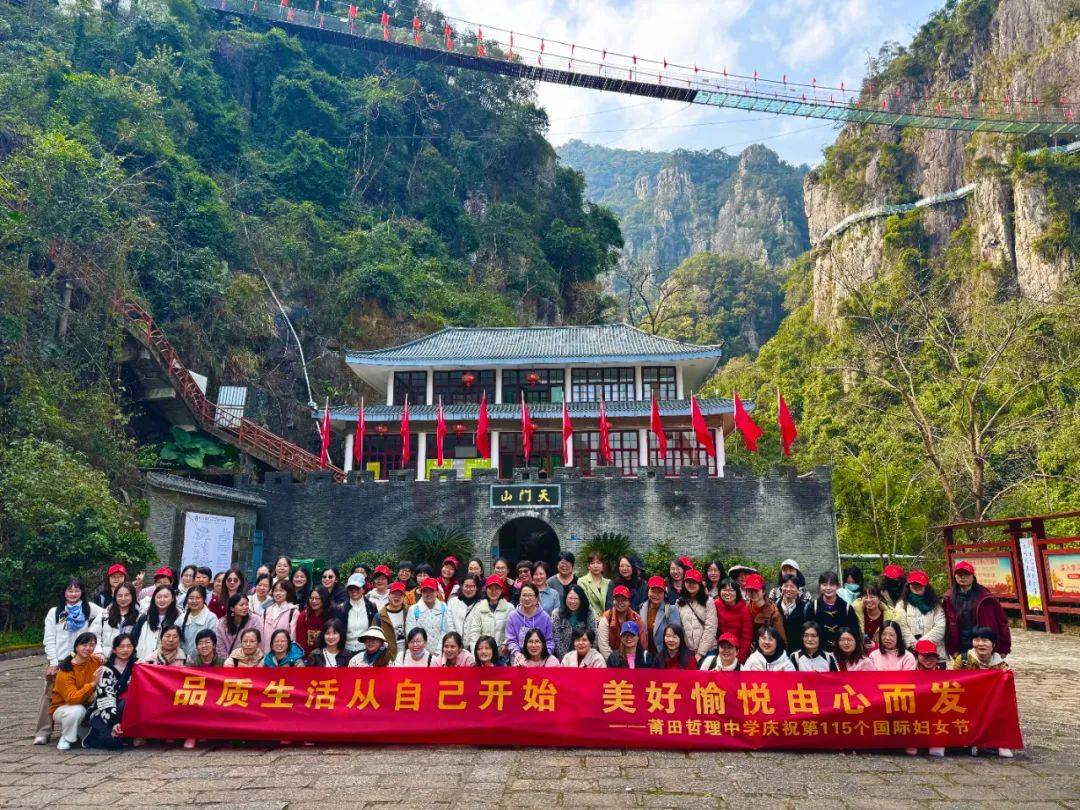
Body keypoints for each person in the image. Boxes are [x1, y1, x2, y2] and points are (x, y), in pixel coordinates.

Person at [39, 579, 103, 745]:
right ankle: (43, 731)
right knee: (50, 695)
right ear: (64, 592)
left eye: (77, 590)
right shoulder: (56, 612)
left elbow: (107, 614)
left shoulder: (89, 608)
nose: (73, 594)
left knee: (79, 693)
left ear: (82, 592)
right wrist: (53, 662)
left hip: (81, 659)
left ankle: (76, 728)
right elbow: (50, 638)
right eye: (69, 590)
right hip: (60, 659)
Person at [943, 560, 1011, 659]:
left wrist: (1004, 648)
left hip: (984, 645)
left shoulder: (985, 596)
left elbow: (1002, 621)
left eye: (966, 574)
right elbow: (946, 626)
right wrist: (952, 650)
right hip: (962, 647)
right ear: (955, 576)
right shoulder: (949, 598)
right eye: (959, 574)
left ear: (973, 576)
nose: (963, 577)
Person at [48, 631, 101, 750]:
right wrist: (93, 684)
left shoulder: (95, 661)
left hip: (87, 705)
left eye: (92, 645)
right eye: (84, 645)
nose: (88, 648)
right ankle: (66, 738)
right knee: (77, 710)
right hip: (64, 707)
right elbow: (72, 699)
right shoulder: (66, 670)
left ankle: (79, 731)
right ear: (76, 647)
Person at [83, 633, 135, 750]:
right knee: (114, 743)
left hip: (129, 710)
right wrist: (114, 723)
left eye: (129, 646)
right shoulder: (105, 669)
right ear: (114, 650)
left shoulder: (138, 666)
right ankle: (90, 735)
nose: (125, 650)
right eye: (121, 647)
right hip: (105, 710)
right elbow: (106, 698)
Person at [895, 570, 946, 657]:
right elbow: (901, 626)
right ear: (908, 585)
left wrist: (921, 644)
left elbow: (940, 627)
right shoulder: (902, 605)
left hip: (935, 652)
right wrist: (914, 645)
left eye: (919, 584)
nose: (916, 586)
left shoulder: (935, 605)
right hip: (912, 653)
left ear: (926, 586)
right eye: (913, 584)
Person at [806, 571, 860, 651]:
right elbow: (807, 630)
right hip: (819, 651)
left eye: (832, 585)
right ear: (820, 586)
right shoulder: (813, 607)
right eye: (824, 585)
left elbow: (854, 631)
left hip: (842, 651)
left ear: (837, 586)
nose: (828, 588)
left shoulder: (847, 608)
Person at [464, 575, 512, 654]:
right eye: (490, 588)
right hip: (483, 653)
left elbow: (512, 632)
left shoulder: (509, 608)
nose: (494, 591)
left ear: (501, 590)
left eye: (497, 588)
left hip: (502, 654)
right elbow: (474, 632)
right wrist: (476, 653)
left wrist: (505, 644)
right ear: (486, 590)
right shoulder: (479, 608)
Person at [505, 583, 555, 658]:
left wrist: (544, 655)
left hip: (541, 657)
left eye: (530, 595)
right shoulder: (512, 616)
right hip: (518, 656)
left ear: (536, 599)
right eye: (524, 595)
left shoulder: (545, 617)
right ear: (520, 598)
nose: (527, 599)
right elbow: (511, 640)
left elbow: (549, 641)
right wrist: (517, 654)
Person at [676, 569, 717, 658]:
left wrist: (700, 652)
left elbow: (711, 628)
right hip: (688, 651)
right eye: (688, 581)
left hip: (708, 650)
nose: (691, 584)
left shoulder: (708, 601)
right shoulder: (679, 602)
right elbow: (680, 627)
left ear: (700, 584)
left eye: (694, 582)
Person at [596, 585, 645, 660]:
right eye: (617, 599)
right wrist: (614, 662)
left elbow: (642, 643)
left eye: (624, 600)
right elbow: (603, 646)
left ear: (629, 602)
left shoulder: (636, 618)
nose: (620, 603)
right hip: (612, 660)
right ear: (613, 601)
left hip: (632, 658)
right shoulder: (606, 618)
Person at [132, 584, 180, 661]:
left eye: (166, 597)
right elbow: (133, 639)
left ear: (172, 599)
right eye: (159, 597)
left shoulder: (178, 619)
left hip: (167, 662)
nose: (162, 600)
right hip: (143, 661)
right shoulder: (144, 618)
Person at [639, 575, 682, 660]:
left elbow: (676, 634)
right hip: (646, 655)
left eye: (659, 592)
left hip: (664, 655)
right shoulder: (642, 607)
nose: (656, 595)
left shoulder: (669, 609)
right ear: (648, 591)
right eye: (653, 591)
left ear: (664, 594)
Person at [405, 577, 450, 655]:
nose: (428, 594)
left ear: (437, 592)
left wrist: (438, 651)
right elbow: (411, 634)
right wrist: (424, 654)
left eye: (431, 591)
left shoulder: (444, 607)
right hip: (420, 654)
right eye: (425, 591)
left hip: (441, 653)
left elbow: (446, 630)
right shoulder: (413, 610)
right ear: (421, 592)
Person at [93, 581, 140, 656]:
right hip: (105, 658)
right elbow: (94, 635)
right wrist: (99, 652)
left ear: (133, 596)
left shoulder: (139, 616)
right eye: (120, 595)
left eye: (127, 595)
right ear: (115, 597)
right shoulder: (105, 614)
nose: (123, 598)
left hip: (130, 659)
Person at [550, 584, 597, 659]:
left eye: (576, 598)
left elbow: (594, 637)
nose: (573, 601)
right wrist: (567, 659)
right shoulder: (557, 614)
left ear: (581, 599)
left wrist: (587, 657)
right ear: (565, 598)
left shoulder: (589, 612)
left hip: (586, 655)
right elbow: (557, 639)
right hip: (564, 657)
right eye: (570, 598)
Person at [714, 577, 753, 662]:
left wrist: (739, 659)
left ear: (737, 592)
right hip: (720, 649)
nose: (727, 593)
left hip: (737, 650)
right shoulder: (716, 604)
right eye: (724, 590)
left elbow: (746, 638)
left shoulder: (744, 610)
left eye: (731, 590)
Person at [340, 573, 379, 654]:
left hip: (367, 650)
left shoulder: (371, 607)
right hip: (346, 651)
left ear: (363, 589)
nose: (354, 591)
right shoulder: (341, 608)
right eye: (351, 589)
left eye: (357, 588)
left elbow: (376, 629)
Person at [852, 583, 896, 653]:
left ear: (879, 598)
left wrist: (876, 646)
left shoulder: (890, 617)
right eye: (865, 597)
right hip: (860, 653)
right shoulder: (855, 612)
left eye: (872, 597)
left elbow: (894, 642)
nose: (868, 600)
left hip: (881, 653)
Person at [743, 573, 785, 643]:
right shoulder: (746, 607)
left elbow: (781, 639)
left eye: (756, 590)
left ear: (763, 591)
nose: (752, 593)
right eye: (749, 590)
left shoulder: (773, 613)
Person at [178, 584, 216, 660]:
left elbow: (214, 642)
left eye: (198, 598)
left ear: (204, 599)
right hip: (183, 660)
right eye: (191, 598)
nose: (194, 601)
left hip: (203, 661)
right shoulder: (181, 618)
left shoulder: (211, 618)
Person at [260, 579, 299, 653]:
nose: (278, 593)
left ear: (288, 593)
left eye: (281, 591)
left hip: (285, 654)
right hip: (266, 653)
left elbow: (293, 636)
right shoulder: (266, 611)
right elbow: (261, 634)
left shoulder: (293, 611)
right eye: (275, 591)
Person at [215, 594, 255, 659]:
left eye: (247, 604)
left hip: (249, 660)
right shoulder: (221, 624)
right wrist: (229, 661)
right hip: (227, 661)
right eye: (241, 605)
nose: (245, 607)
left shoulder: (255, 620)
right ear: (232, 608)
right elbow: (220, 647)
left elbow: (257, 643)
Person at [774, 574, 807, 651]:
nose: (788, 589)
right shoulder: (774, 606)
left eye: (792, 586)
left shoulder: (805, 607)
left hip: (798, 651)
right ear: (781, 588)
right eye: (785, 586)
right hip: (779, 650)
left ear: (798, 589)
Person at [377, 581, 409, 659]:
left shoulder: (410, 611)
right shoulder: (380, 616)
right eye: (394, 594)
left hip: (408, 655)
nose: (397, 597)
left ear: (404, 597)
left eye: (400, 594)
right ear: (389, 595)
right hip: (388, 657)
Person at [295, 586, 330, 657]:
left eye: (317, 598)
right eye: (311, 598)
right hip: (307, 656)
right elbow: (300, 642)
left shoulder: (331, 615)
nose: (313, 601)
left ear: (324, 599)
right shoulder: (303, 616)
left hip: (327, 655)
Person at [579, 552, 610, 617]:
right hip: (590, 618)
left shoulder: (608, 582)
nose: (595, 566)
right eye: (592, 563)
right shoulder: (582, 582)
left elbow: (611, 603)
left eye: (598, 563)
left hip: (607, 618)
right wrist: (597, 618)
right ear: (588, 566)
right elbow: (586, 604)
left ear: (603, 566)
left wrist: (605, 617)